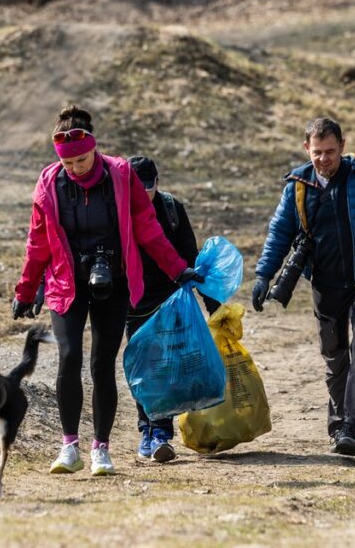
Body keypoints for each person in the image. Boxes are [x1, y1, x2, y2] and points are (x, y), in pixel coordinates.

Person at [12, 105, 202, 477]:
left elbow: (147, 228)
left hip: (112, 282)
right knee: (68, 356)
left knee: (102, 364)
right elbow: (37, 242)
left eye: (82, 160)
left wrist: (177, 269)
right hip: (67, 282)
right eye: (69, 163)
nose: (76, 168)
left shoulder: (120, 175)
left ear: (94, 149)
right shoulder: (49, 183)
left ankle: (101, 448)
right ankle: (69, 447)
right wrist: (26, 289)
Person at [251, 118, 355, 456]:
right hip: (325, 283)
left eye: (331, 151)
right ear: (306, 148)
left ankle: (353, 426)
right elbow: (280, 232)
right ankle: (339, 426)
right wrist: (264, 275)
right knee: (334, 357)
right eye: (317, 152)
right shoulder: (297, 185)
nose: (324, 159)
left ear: (343, 145)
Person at [125, 155, 221, 464]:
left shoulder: (171, 209)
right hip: (133, 305)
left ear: (158, 183)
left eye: (147, 189)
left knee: (166, 369)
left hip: (170, 303)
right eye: (136, 190)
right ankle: (148, 430)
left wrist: (213, 307)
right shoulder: (117, 211)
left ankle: (160, 434)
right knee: (142, 370)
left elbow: (191, 258)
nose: (143, 196)